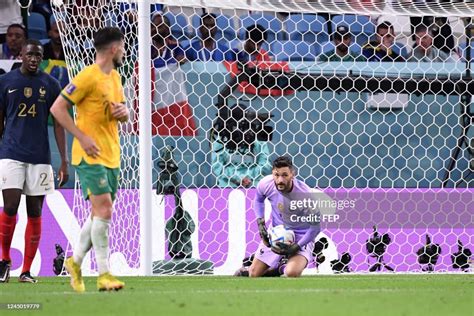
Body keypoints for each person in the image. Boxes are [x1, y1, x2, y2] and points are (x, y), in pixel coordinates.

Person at [50, 27, 129, 292]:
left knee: (99, 213)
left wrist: (124, 113)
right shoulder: (87, 77)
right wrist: (81, 137)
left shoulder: (115, 78)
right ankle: (104, 273)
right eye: (123, 47)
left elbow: (122, 112)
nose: (125, 52)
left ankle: (75, 262)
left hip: (111, 154)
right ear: (113, 49)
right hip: (88, 155)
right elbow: (57, 108)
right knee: (105, 210)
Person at [0, 39, 69, 283]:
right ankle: (5, 260)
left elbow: (59, 123)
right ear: (21, 54)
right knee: (9, 206)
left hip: (40, 157)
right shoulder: (5, 82)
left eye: (38, 55)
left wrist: (64, 161)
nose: (34, 59)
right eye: (30, 54)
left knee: (35, 211)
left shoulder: (50, 84)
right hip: (10, 154)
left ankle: (26, 271)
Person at [249, 156, 320, 277]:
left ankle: (282, 268)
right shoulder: (266, 184)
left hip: (301, 237)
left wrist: (296, 246)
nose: (280, 180)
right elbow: (258, 200)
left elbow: (315, 228)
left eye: (285, 175)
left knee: (291, 273)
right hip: (277, 234)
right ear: (272, 173)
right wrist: (261, 224)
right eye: (276, 175)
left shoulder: (305, 194)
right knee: (253, 274)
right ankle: (278, 266)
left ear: (293, 174)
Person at [210, 104, 272, 188]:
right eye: (235, 126)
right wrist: (238, 178)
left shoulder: (257, 139)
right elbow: (217, 167)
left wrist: (248, 177)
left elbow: (266, 164)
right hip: (227, 186)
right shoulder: (221, 140)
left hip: (254, 185)